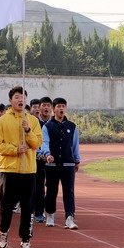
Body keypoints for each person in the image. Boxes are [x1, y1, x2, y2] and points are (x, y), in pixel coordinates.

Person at [0, 86, 42, 248]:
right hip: (8, 169)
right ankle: (3, 231)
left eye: (23, 97)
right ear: (10, 100)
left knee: (28, 207)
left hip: (28, 170)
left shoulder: (33, 121)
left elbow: (36, 144)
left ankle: (25, 241)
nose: (20, 100)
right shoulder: (2, 121)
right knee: (6, 205)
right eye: (16, 97)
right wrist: (15, 150)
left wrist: (28, 130)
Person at [41, 97, 80, 229]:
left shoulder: (72, 126)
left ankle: (69, 217)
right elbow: (44, 143)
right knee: (51, 190)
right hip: (52, 164)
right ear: (53, 109)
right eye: (58, 106)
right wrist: (47, 155)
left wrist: (77, 160)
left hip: (68, 164)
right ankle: (50, 214)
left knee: (69, 191)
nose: (61, 108)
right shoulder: (48, 126)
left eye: (63, 106)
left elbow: (75, 144)